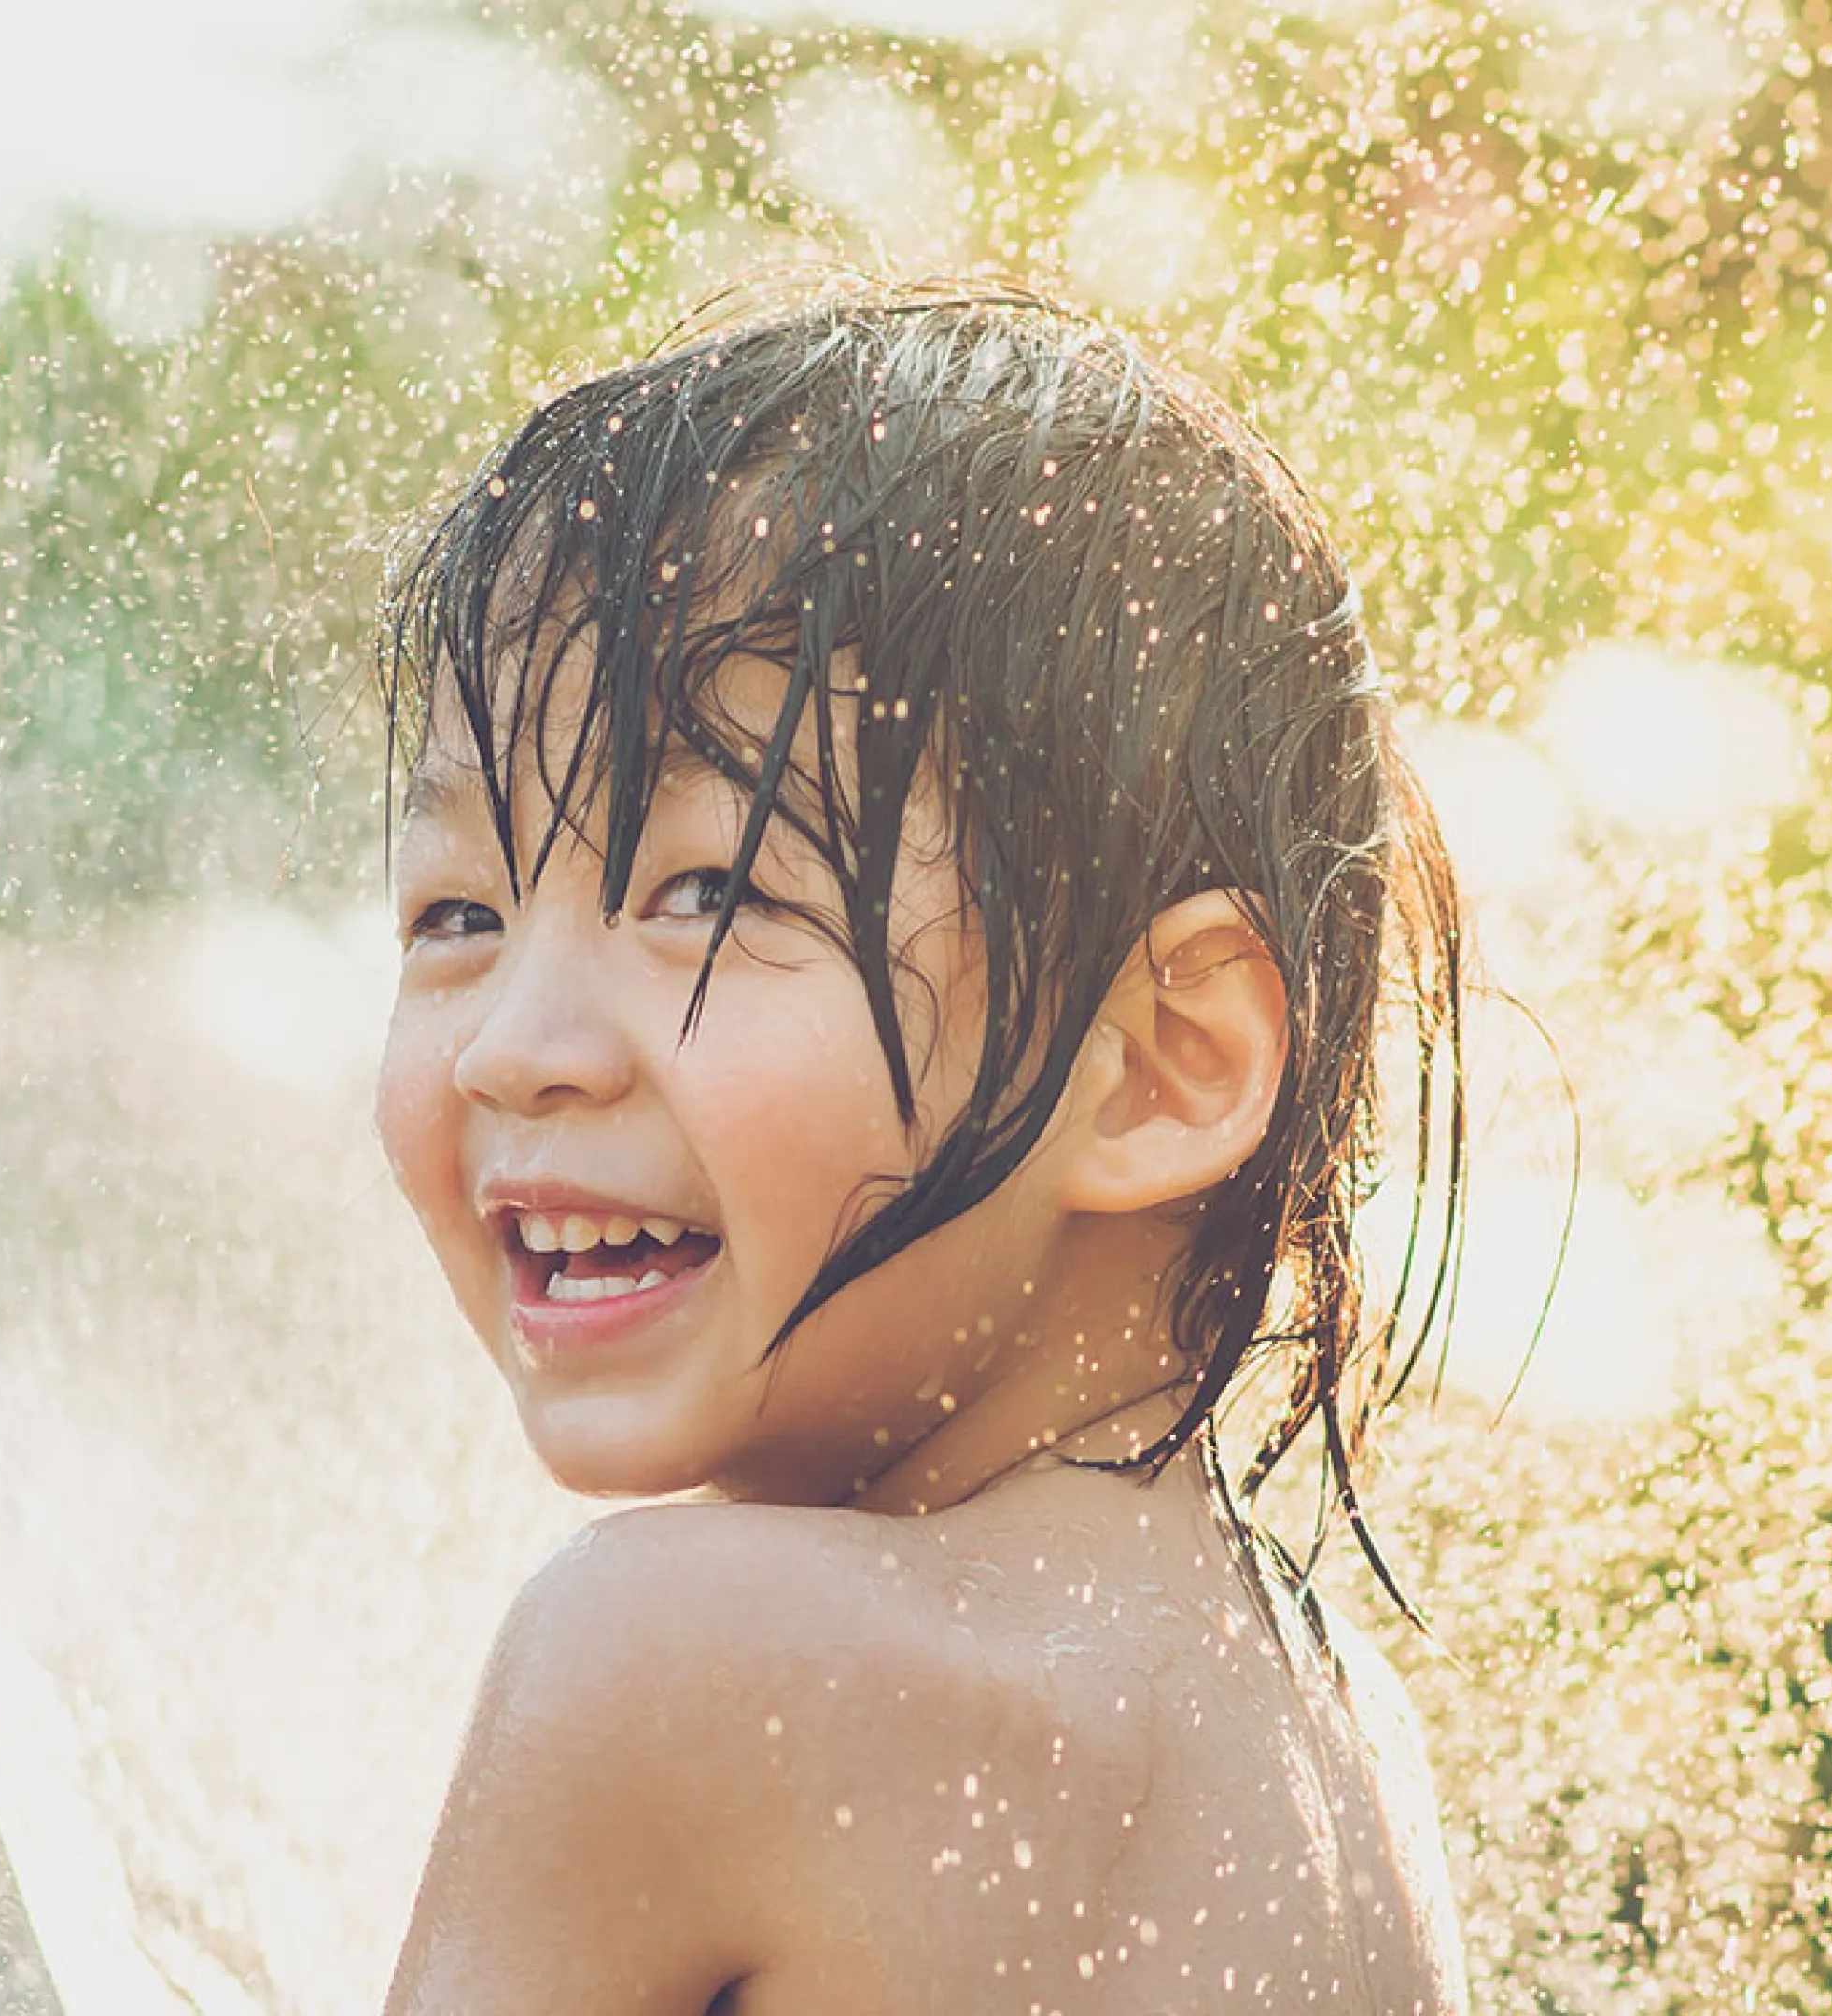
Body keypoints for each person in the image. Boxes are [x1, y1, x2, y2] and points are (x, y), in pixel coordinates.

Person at [369, 284, 1474, 2015]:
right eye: (457, 910)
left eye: (712, 892)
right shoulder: (1329, 1751)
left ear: (1160, 1066)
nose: (515, 1042)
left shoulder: (677, 1664)